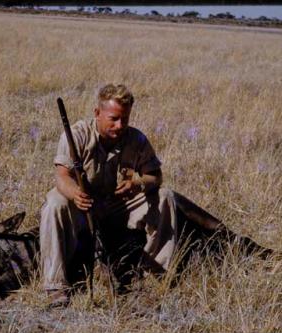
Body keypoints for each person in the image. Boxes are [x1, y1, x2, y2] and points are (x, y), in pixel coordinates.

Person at [39, 83, 180, 307]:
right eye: (113, 118)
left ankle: (156, 274)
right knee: (54, 202)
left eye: (125, 119)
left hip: (118, 207)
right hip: (85, 207)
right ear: (97, 113)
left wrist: (138, 183)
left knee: (165, 196)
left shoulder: (137, 139)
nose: (120, 125)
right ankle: (55, 286)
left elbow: (155, 176)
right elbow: (61, 176)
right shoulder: (76, 134)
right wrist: (76, 194)